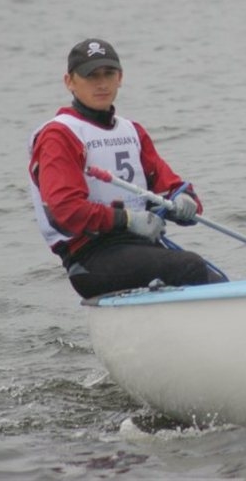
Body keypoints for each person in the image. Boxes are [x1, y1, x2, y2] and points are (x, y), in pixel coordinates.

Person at [28, 39, 227, 298]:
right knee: (191, 266)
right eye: (91, 76)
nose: (101, 84)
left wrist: (184, 202)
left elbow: (171, 186)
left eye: (108, 74)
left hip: (141, 248)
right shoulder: (59, 135)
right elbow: (66, 210)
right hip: (91, 257)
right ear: (69, 82)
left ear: (120, 77)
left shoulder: (132, 131)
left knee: (219, 282)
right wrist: (128, 220)